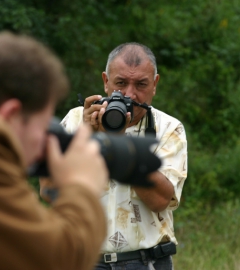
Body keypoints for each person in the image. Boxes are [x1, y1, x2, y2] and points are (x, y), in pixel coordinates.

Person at [0, 29, 109, 270]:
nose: (43, 147)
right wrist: (81, 186)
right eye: (44, 127)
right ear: (11, 115)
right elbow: (58, 260)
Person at [57, 43, 188, 270]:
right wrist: (85, 137)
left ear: (155, 84)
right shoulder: (77, 121)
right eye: (120, 83)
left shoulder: (169, 129)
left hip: (146, 261)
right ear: (106, 81)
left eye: (141, 84)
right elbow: (52, 192)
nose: (129, 94)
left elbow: (159, 201)